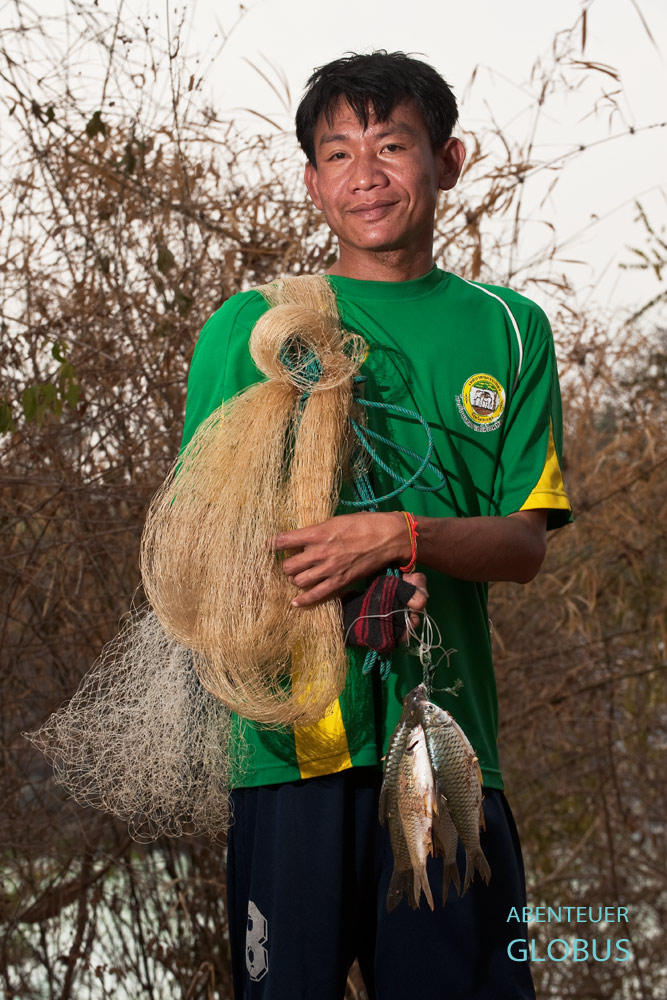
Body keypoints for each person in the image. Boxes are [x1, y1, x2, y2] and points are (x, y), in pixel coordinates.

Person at [180, 51, 571, 1000]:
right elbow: (201, 549)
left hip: (446, 754)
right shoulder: (256, 327)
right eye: (339, 153)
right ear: (313, 181)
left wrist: (403, 537)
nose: (367, 174)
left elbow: (522, 546)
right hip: (288, 753)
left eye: (392, 146)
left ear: (448, 158)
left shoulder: (509, 329)